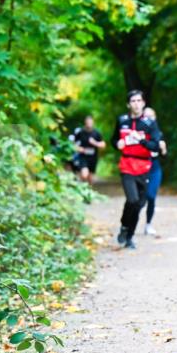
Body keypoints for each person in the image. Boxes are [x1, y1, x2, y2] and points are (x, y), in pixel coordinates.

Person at [111, 90, 163, 249]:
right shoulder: (122, 121)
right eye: (133, 101)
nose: (136, 104)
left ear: (143, 103)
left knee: (139, 204)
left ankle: (129, 237)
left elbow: (156, 146)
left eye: (139, 100)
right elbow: (114, 139)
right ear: (128, 104)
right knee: (132, 199)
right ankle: (124, 227)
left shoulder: (149, 124)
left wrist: (142, 141)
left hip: (144, 167)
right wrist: (117, 144)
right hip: (127, 166)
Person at [142, 107, 168, 237]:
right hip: (140, 168)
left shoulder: (159, 134)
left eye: (151, 116)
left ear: (155, 118)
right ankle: (130, 223)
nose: (149, 119)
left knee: (151, 197)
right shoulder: (139, 134)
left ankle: (148, 224)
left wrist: (163, 149)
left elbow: (164, 156)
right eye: (146, 116)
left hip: (155, 168)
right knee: (139, 199)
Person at [69, 115, 106, 186]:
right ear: (85, 123)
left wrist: (95, 143)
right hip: (83, 157)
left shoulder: (97, 133)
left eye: (90, 122)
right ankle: (83, 186)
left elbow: (103, 145)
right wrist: (79, 149)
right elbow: (73, 144)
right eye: (87, 122)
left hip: (93, 158)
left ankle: (88, 190)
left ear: (93, 123)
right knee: (84, 174)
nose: (89, 123)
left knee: (90, 178)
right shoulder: (80, 132)